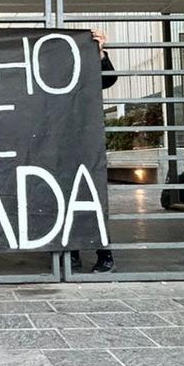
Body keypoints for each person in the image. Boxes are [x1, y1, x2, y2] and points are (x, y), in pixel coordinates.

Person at [71, 29, 118, 274]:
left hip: (87, 143)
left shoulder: (85, 71)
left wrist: (98, 52)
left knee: (93, 196)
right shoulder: (50, 73)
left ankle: (104, 252)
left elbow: (109, 79)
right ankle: (72, 252)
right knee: (65, 198)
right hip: (57, 143)